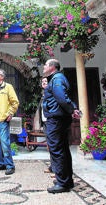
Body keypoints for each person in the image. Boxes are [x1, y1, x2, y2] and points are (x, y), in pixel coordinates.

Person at [42, 59, 81, 193]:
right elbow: (63, 97)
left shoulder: (57, 79)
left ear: (52, 67)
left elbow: (61, 98)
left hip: (56, 119)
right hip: (59, 118)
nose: (44, 67)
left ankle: (62, 183)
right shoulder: (56, 78)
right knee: (63, 149)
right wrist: (72, 108)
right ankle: (66, 179)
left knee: (57, 149)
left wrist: (71, 109)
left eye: (46, 65)